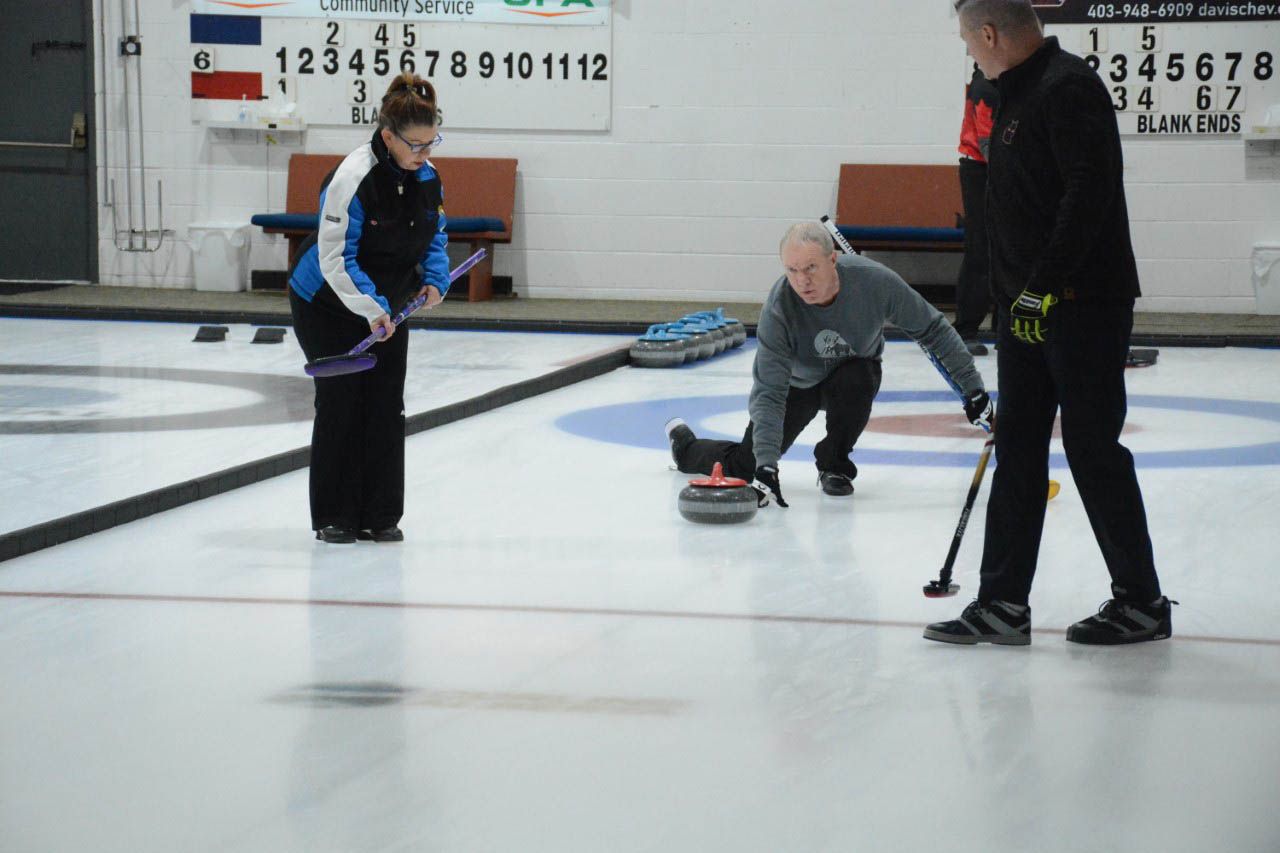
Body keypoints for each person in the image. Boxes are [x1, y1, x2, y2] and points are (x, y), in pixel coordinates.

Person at [925, 0, 1173, 646]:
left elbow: (1088, 198)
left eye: (967, 40)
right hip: (1026, 312)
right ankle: (1003, 602)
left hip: (1080, 305)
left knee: (1093, 451)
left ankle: (1141, 600)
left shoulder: (1068, 88)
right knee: (1019, 451)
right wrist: (1010, 297)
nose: (968, 53)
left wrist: (1043, 289)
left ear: (989, 33)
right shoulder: (1007, 94)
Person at [666, 222, 992, 504]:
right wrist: (766, 466)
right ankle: (686, 447)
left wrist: (973, 389)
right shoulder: (779, 309)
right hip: (797, 385)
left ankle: (834, 465)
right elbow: (769, 391)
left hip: (850, 374)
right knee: (745, 465)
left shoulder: (874, 282)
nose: (802, 280)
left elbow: (933, 328)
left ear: (832, 259)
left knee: (858, 376)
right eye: (792, 270)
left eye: (811, 268)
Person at [288, 72, 450, 544]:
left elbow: (434, 234)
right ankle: (335, 515)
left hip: (388, 304)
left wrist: (436, 278)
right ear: (387, 136)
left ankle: (379, 514)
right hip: (328, 303)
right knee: (342, 404)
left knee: (384, 404)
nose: (425, 154)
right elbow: (335, 258)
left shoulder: (427, 176)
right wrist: (370, 308)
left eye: (431, 142)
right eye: (416, 145)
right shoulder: (352, 177)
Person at [954, 63, 998, 356]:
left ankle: (1003, 324)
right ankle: (965, 329)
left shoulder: (995, 81)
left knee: (1005, 248)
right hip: (982, 171)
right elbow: (987, 143)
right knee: (980, 251)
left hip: (992, 169)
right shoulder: (986, 86)